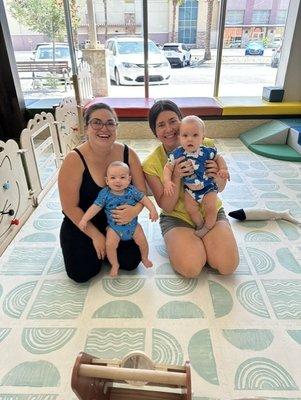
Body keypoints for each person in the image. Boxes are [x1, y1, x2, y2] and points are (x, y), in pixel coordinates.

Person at [142, 100, 239, 278]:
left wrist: (218, 175)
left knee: (228, 266)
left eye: (173, 121)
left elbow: (221, 187)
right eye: (161, 125)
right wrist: (176, 177)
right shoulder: (151, 163)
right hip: (177, 218)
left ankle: (207, 240)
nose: (169, 129)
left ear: (182, 120)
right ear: (155, 131)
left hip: (210, 211)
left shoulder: (206, 144)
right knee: (191, 268)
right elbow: (167, 207)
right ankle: (192, 244)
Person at [58, 102, 147, 283]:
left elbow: (141, 192)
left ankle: (109, 250)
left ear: (116, 127)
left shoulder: (128, 154)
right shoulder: (74, 159)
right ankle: (99, 249)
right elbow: (69, 207)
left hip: (118, 222)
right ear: (86, 127)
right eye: (96, 122)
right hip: (82, 222)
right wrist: (96, 235)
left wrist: (134, 211)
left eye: (110, 123)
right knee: (81, 274)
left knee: (130, 262)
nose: (104, 128)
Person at [79, 161, 158, 277]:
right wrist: (84, 219)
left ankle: (145, 258)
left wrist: (153, 210)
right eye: (113, 178)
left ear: (129, 179)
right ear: (107, 181)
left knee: (142, 240)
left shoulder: (132, 191)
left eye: (122, 177)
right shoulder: (105, 193)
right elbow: (95, 207)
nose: (118, 181)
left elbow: (144, 199)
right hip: (114, 228)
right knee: (110, 245)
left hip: (133, 226)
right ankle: (115, 264)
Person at [163, 115, 229, 238]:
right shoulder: (177, 153)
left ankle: (208, 227)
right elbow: (168, 167)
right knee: (191, 208)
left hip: (208, 187)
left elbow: (218, 157)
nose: (190, 140)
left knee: (210, 208)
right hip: (190, 190)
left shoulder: (206, 151)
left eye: (195, 135)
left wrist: (223, 169)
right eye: (185, 135)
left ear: (202, 138)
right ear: (179, 137)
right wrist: (167, 181)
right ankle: (200, 225)